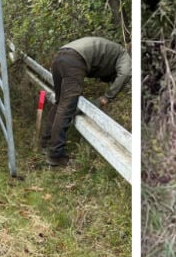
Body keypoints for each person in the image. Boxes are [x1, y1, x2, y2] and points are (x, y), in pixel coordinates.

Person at [40, 36, 131, 167]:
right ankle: (56, 155)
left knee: (60, 103)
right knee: (66, 108)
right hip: (74, 61)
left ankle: (46, 142)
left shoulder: (112, 49)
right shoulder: (125, 56)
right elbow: (125, 74)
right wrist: (106, 98)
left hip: (60, 57)